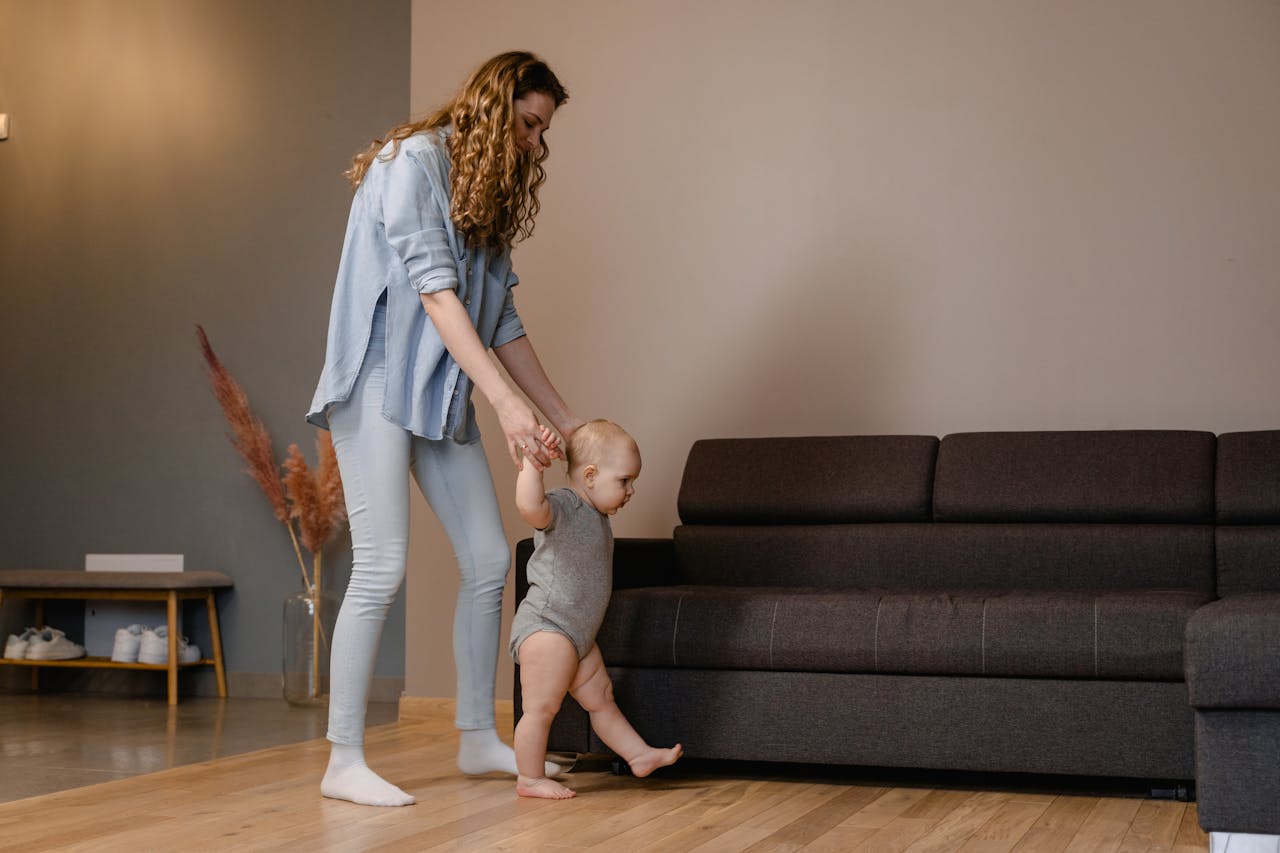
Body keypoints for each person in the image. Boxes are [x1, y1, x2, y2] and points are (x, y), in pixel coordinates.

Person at [306, 51, 583, 807]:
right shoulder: (410, 163)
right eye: (527, 124)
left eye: (542, 130)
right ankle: (343, 757)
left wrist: (568, 422)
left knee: (490, 558)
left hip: (437, 390)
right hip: (373, 381)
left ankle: (473, 736)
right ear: (495, 109)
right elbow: (434, 293)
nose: (534, 143)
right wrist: (505, 405)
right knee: (383, 563)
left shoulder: (485, 193)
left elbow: (502, 320)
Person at [510, 419, 683, 799]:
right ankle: (530, 777)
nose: (631, 490)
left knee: (601, 698)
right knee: (541, 708)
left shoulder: (598, 517)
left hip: (579, 635)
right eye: (624, 481)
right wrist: (532, 465)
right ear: (590, 476)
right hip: (549, 627)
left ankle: (639, 755)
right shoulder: (567, 505)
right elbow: (530, 507)